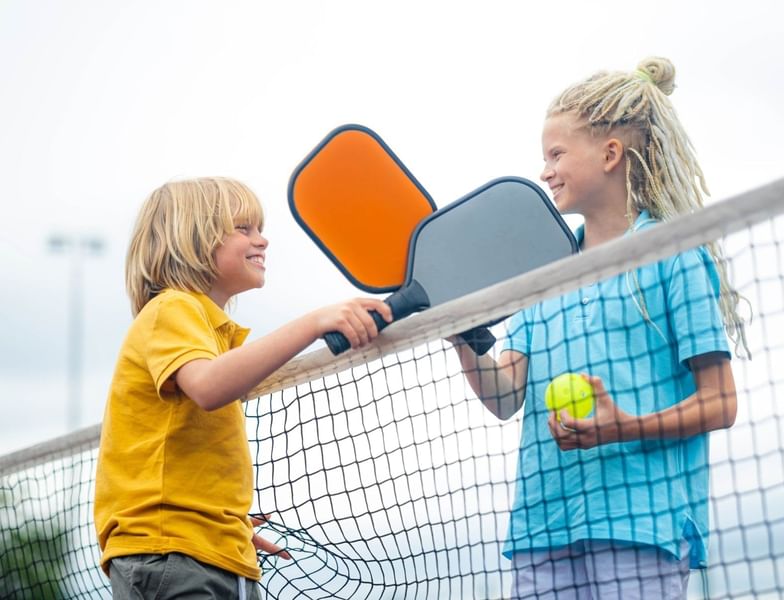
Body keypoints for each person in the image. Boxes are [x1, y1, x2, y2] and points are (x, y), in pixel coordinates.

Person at [449, 57, 749, 599]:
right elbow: (503, 395)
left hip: (641, 525)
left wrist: (623, 426)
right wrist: (465, 338)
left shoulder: (673, 252)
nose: (545, 171)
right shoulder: (547, 276)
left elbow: (720, 402)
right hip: (542, 528)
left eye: (557, 154)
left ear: (610, 154)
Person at [94, 177, 392, 599]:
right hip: (172, 556)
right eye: (244, 228)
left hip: (212, 553)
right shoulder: (171, 309)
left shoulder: (206, 328)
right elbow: (210, 387)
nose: (263, 240)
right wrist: (314, 323)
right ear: (192, 239)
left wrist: (223, 527)